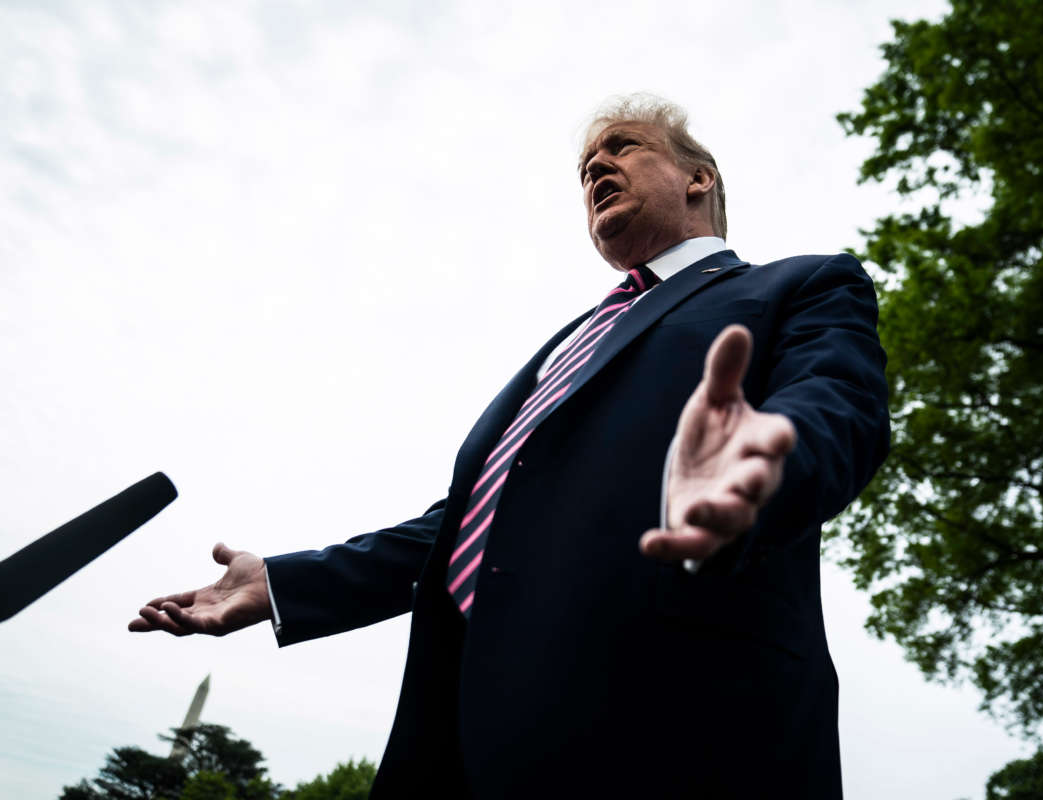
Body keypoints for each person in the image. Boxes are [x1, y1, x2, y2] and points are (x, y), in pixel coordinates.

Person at [130, 95, 890, 798]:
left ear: (699, 178)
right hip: (472, 747)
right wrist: (289, 584)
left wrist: (762, 468)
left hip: (679, 735)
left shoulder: (803, 285)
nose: (596, 167)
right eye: (585, 166)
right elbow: (472, 524)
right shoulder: (569, 346)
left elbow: (837, 407)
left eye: (622, 147)